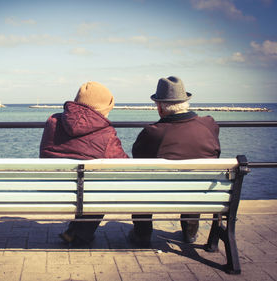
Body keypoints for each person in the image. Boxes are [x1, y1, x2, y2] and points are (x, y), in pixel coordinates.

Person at [131, 76, 221, 246]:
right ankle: (189, 232)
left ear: (159, 107)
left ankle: (142, 234)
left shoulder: (153, 132)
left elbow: (138, 156)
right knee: (196, 179)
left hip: (162, 194)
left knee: (141, 184)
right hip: (203, 193)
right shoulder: (209, 125)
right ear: (185, 102)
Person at [40, 81, 129, 246]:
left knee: (87, 185)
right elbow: (123, 164)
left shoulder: (52, 120)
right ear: (103, 109)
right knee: (100, 188)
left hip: (53, 186)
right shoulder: (106, 131)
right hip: (85, 191)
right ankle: (81, 235)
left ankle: (74, 231)